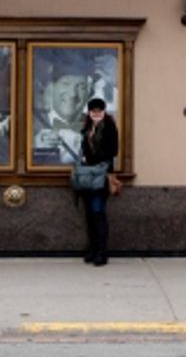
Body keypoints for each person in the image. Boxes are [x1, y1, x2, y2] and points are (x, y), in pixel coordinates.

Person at [76, 97, 118, 267]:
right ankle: (92, 249)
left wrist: (94, 158)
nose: (96, 114)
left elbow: (113, 150)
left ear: (104, 111)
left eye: (99, 111)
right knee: (89, 214)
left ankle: (102, 251)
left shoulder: (108, 126)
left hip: (101, 175)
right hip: (88, 175)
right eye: (93, 111)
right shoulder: (87, 127)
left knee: (98, 211)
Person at [33, 58, 93, 165]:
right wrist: (36, 150)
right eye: (66, 84)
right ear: (52, 88)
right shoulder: (31, 126)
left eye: (81, 87)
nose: (73, 94)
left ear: (88, 94)